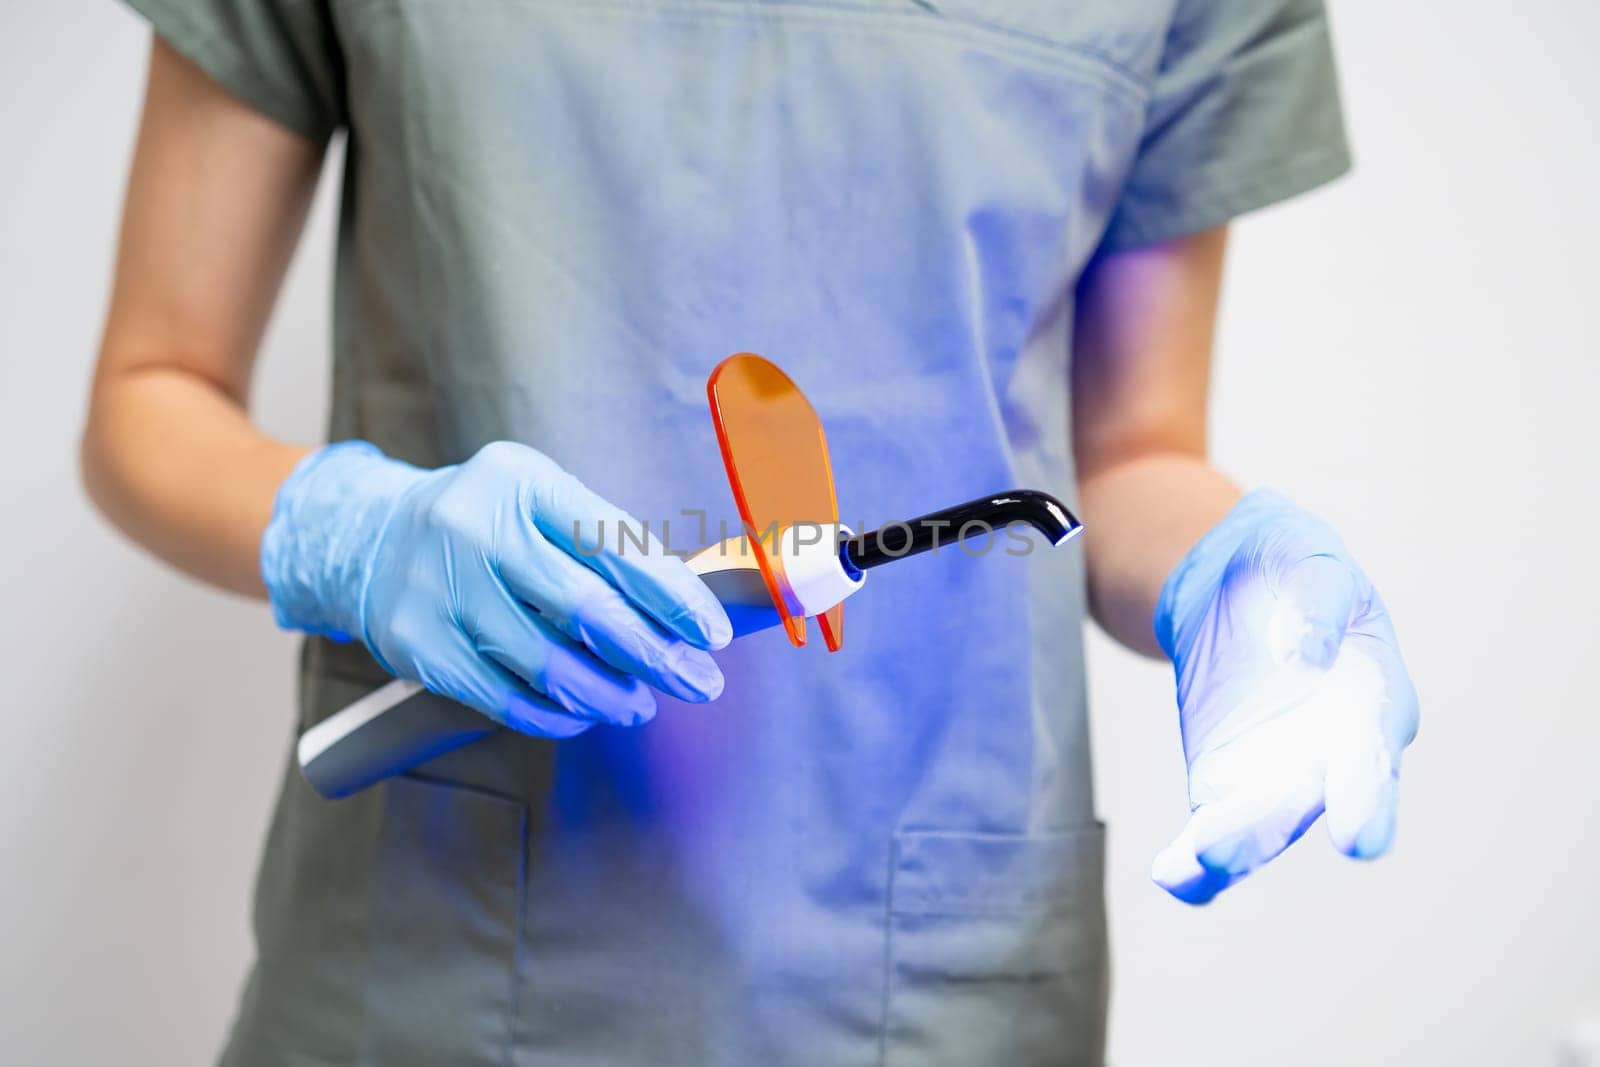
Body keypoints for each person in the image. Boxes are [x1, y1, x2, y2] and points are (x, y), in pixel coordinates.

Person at [82, 0, 1419, 1063]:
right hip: (434, 952)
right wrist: (354, 531)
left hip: (936, 964)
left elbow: (1129, 454)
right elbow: (151, 400)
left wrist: (1233, 584)